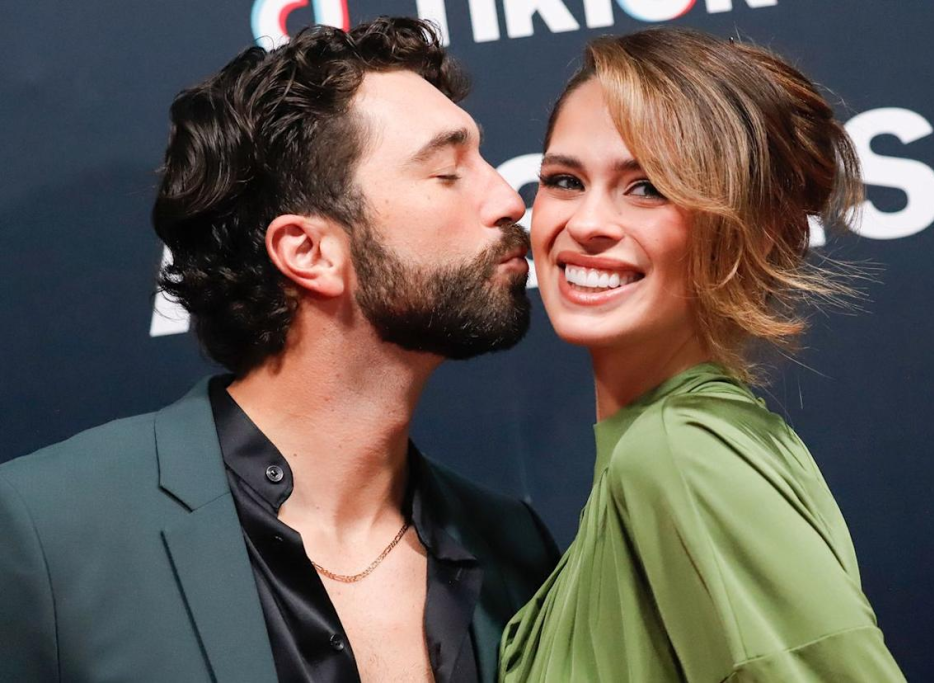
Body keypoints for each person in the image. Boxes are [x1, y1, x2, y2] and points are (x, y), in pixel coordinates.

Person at [0, 18, 559, 683]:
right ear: (308, 251)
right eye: (447, 172)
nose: (508, 199)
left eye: (485, 162)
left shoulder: (513, 546)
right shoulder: (49, 529)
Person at [499, 28, 905, 682]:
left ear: (753, 230)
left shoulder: (680, 454)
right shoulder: (669, 450)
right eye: (564, 180)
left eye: (647, 187)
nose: (588, 222)